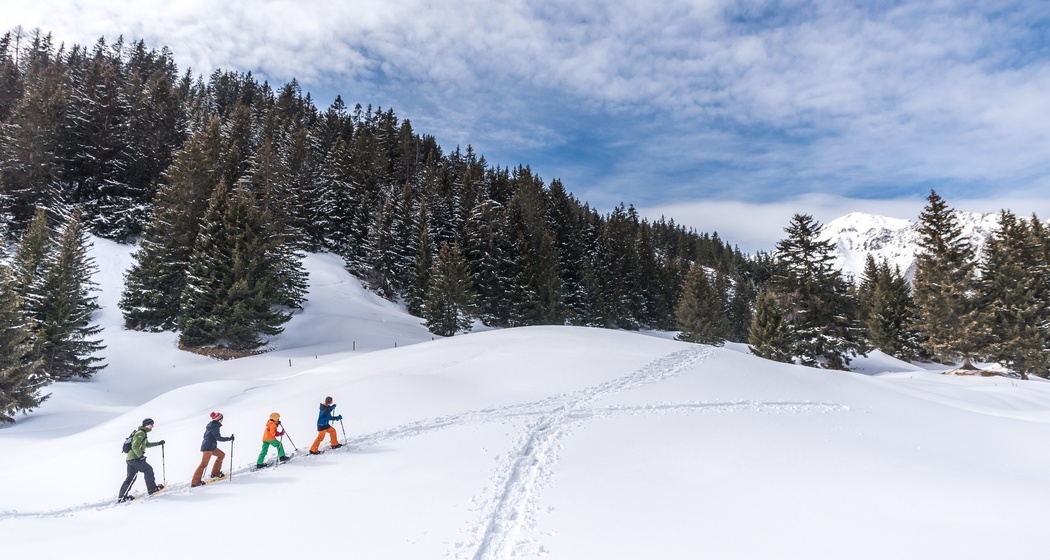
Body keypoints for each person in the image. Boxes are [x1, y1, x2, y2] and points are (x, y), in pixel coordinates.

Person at [117, 418, 165, 502]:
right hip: (135, 458)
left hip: (130, 458)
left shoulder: (142, 433)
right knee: (148, 470)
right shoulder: (141, 433)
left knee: (130, 478)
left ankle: (122, 497)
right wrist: (140, 456)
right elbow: (135, 446)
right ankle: (152, 489)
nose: (152, 426)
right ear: (146, 425)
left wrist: (158, 443)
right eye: (151, 424)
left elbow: (146, 444)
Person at [192, 412, 234, 487]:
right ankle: (195, 482)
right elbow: (218, 437)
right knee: (203, 464)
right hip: (208, 448)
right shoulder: (215, 426)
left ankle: (215, 473)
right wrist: (229, 438)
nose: (222, 420)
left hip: (211, 447)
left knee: (221, 455)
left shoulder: (211, 425)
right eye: (222, 418)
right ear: (219, 419)